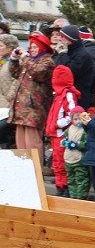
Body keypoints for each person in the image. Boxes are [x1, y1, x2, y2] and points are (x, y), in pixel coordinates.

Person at [10, 32, 56, 161]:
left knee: (32, 144)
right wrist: (13, 60)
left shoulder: (48, 62)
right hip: (21, 108)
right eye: (31, 47)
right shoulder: (30, 61)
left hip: (34, 109)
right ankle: (23, 171)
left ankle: (36, 172)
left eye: (35, 47)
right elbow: (14, 74)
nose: (31, 50)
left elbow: (37, 72)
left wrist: (25, 58)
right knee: (21, 144)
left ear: (42, 48)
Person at [44, 64, 81, 196]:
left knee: (62, 162)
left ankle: (65, 187)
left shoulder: (68, 94)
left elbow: (72, 113)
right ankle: (60, 186)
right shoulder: (59, 94)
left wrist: (58, 124)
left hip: (61, 133)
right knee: (57, 162)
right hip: (55, 134)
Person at [53, 25, 95, 107]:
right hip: (63, 96)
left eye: (62, 37)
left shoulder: (83, 55)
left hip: (78, 98)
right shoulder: (67, 51)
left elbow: (69, 72)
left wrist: (62, 54)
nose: (59, 39)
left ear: (70, 39)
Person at [62, 106, 91, 200]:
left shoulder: (85, 130)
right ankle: (73, 196)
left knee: (81, 179)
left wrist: (77, 145)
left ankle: (81, 197)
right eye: (75, 119)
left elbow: (87, 144)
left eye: (80, 119)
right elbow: (64, 140)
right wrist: (65, 142)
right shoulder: (68, 130)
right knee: (71, 179)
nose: (78, 121)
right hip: (68, 159)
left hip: (79, 159)